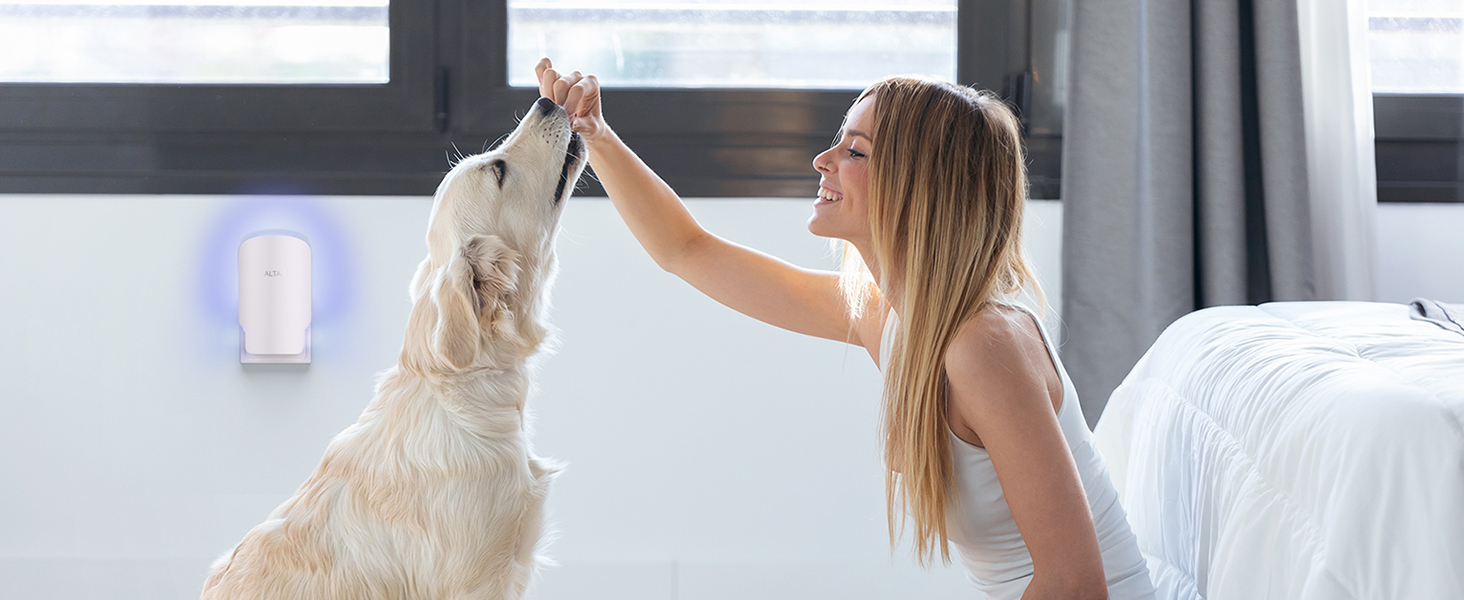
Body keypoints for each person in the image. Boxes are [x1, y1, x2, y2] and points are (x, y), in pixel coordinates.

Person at [534, 57, 1156, 600]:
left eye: (855, 151)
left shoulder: (983, 345)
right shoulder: (886, 315)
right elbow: (686, 250)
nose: (822, 160)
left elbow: (1077, 585)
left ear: (921, 189)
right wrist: (595, 135)